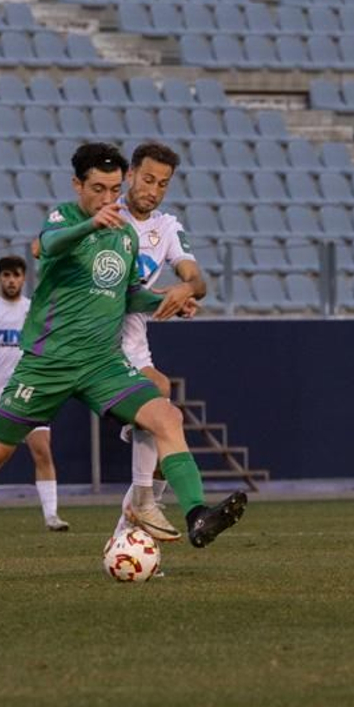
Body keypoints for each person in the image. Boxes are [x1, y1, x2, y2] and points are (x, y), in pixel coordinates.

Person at [0, 142, 246, 582]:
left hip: (102, 363)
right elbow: (48, 245)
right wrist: (88, 224)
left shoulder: (125, 236)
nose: (107, 199)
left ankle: (197, 513)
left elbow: (127, 295)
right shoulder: (65, 219)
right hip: (46, 365)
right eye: (97, 189)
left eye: (112, 190)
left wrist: (167, 301)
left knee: (166, 415)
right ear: (78, 186)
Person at [106, 142, 246, 547]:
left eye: (162, 184)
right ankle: (142, 506)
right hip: (91, 339)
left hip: (130, 343)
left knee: (163, 407)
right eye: (147, 179)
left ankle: (130, 531)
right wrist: (159, 298)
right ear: (130, 175)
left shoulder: (166, 228)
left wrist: (184, 290)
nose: (153, 190)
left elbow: (198, 281)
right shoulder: (107, 219)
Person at [0, 255, 68, 533]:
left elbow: (48, 346)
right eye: (6, 275)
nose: (11, 281)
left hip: (29, 393)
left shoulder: (34, 311)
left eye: (16, 275)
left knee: (42, 451)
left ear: (23, 278)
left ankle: (51, 516)